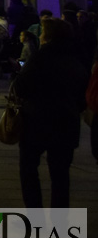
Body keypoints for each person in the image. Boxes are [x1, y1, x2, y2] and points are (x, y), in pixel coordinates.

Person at [12, 18, 89, 208]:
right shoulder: (76, 59)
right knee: (60, 175)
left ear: (47, 36)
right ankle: (59, 221)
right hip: (67, 122)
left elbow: (20, 88)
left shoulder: (39, 58)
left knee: (29, 169)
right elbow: (82, 95)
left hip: (36, 121)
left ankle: (35, 215)